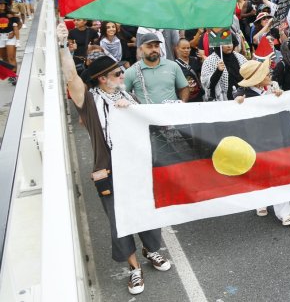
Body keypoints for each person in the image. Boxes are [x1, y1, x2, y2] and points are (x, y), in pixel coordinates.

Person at [57, 23, 172, 295]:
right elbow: (72, 78)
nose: (123, 75)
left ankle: (150, 250)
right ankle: (134, 267)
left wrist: (130, 108)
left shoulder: (127, 95)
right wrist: (63, 45)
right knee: (118, 219)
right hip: (107, 170)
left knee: (145, 210)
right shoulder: (89, 102)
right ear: (102, 79)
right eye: (117, 73)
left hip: (136, 166)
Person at [232, 59, 290, 226]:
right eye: (265, 73)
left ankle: (283, 212)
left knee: (279, 172)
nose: (269, 74)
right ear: (256, 78)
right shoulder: (244, 94)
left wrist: (279, 95)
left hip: (275, 137)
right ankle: (260, 201)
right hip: (254, 140)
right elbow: (236, 98)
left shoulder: (273, 86)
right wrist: (238, 100)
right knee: (259, 172)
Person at [124, 34, 189, 104]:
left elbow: (184, 88)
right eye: (149, 47)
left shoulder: (173, 66)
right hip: (145, 114)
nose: (154, 49)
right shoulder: (132, 71)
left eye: (156, 46)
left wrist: (182, 104)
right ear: (141, 49)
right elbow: (122, 94)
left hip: (171, 113)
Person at [201, 36, 248, 101]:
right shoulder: (209, 61)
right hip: (222, 102)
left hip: (242, 97)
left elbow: (249, 75)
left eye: (230, 42)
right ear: (218, 44)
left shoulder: (240, 57)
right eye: (225, 43)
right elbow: (207, 85)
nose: (229, 46)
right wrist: (218, 71)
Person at [174, 38, 204, 102]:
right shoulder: (174, 65)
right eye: (183, 48)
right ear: (177, 49)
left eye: (188, 48)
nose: (186, 50)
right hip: (184, 98)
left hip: (198, 97)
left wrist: (203, 61)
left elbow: (203, 75)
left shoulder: (195, 60)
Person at [0, 0, 21, 85]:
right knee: (4, 59)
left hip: (10, 37)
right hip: (1, 37)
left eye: (3, 4)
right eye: (0, 4)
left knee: (11, 57)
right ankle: (11, 73)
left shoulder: (10, 14)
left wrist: (13, 33)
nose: (2, 5)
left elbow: (19, 24)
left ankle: (14, 76)